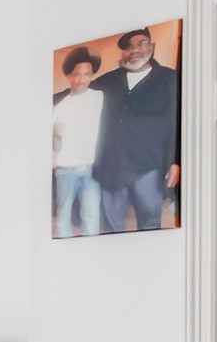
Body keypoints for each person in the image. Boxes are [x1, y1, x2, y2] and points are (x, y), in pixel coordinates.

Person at [91, 28, 180, 232]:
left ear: (152, 46)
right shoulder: (110, 79)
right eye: (128, 47)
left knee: (150, 225)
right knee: (111, 229)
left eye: (141, 43)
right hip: (112, 164)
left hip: (149, 165)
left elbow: (175, 121)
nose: (134, 50)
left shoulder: (169, 78)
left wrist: (175, 160)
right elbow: (80, 91)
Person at [51, 47, 104, 236]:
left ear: (92, 75)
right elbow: (52, 144)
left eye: (86, 74)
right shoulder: (58, 105)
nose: (81, 79)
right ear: (68, 75)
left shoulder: (100, 97)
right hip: (65, 170)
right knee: (62, 215)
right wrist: (53, 133)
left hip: (92, 170)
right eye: (76, 74)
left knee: (92, 217)